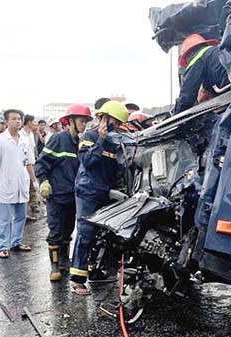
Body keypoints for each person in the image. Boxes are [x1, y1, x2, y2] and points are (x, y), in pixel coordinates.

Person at [69, 100, 129, 295]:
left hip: (104, 192)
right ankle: (77, 279)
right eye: (115, 122)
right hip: (88, 192)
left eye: (120, 124)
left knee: (102, 235)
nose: (117, 127)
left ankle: (94, 271)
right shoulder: (89, 136)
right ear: (104, 118)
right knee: (85, 234)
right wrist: (101, 140)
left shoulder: (116, 141)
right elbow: (88, 161)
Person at [35, 105, 92, 281]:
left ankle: (64, 262)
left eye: (86, 121)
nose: (84, 125)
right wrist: (43, 181)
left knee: (68, 231)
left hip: (73, 195)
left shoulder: (79, 143)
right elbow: (41, 163)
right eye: (82, 121)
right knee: (56, 232)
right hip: (57, 195)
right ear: (71, 121)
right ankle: (54, 267)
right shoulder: (58, 139)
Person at [0, 109, 40, 258]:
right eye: (14, 119)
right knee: (4, 218)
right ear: (6, 122)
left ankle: (16, 242)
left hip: (22, 183)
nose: (17, 121)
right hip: (7, 183)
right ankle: (3, 246)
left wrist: (34, 181)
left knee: (21, 216)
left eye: (19, 119)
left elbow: (29, 163)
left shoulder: (25, 140)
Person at [173, 34, 228, 114]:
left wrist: (175, 115)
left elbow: (186, 97)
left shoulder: (196, 59)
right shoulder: (214, 53)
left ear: (188, 55)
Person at [19, 114, 39, 215]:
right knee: (25, 185)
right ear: (29, 122)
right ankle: (24, 209)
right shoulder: (20, 135)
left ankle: (34, 204)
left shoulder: (31, 134)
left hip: (32, 162)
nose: (36, 124)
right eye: (34, 122)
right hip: (23, 165)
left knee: (33, 184)